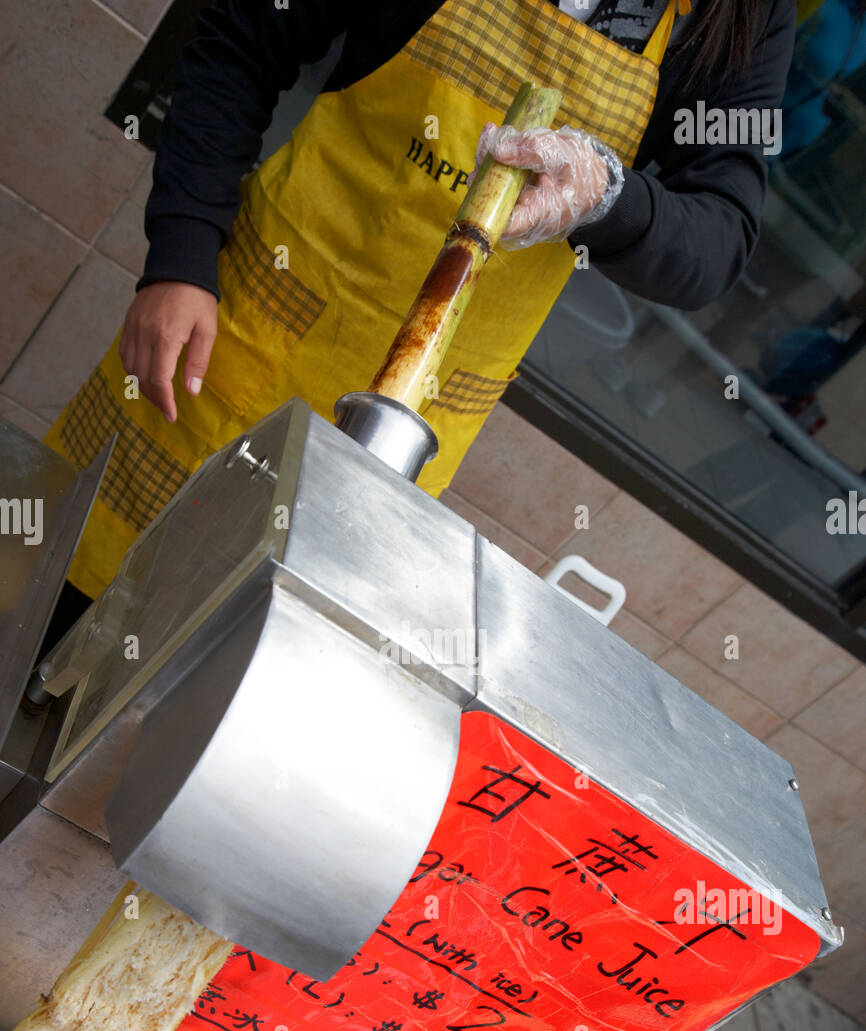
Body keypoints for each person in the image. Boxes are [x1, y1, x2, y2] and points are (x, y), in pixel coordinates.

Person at [44, 0, 798, 604]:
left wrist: (607, 194)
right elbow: (244, 34)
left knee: (229, 653)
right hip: (233, 330)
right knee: (56, 589)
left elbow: (718, 242)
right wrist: (180, 257)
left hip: (402, 425)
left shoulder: (746, 16)